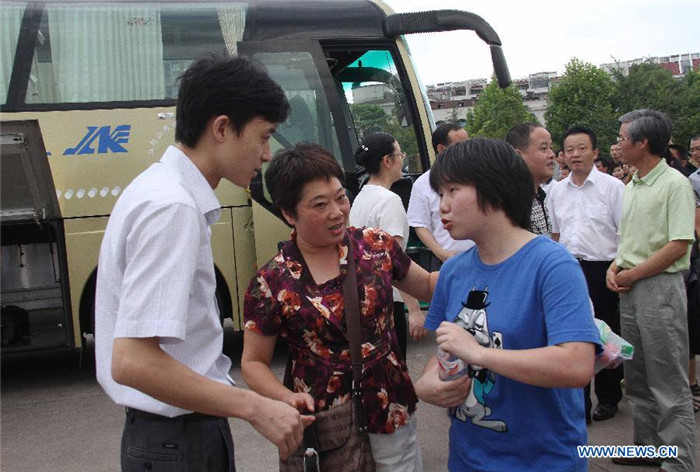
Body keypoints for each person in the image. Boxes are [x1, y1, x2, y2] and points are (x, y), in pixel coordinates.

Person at [94, 53, 314, 471]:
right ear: (221, 128)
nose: (267, 154)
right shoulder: (172, 207)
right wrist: (254, 407)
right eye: (264, 136)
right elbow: (132, 360)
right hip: (178, 444)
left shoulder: (158, 189)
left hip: (172, 437)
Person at [241, 143, 438, 472]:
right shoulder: (271, 281)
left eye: (340, 197)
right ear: (289, 213)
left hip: (390, 407)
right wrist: (285, 397)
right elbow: (253, 362)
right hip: (325, 425)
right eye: (320, 204)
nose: (336, 211)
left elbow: (428, 284)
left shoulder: (376, 246)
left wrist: (486, 260)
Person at [414, 138, 599, 472]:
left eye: (453, 190)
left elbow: (576, 365)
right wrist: (427, 383)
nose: (442, 205)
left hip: (543, 461)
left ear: (495, 190)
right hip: (467, 458)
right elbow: (446, 350)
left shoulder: (552, 264)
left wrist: (480, 354)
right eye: (440, 193)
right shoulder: (454, 271)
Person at [606, 109, 696, 471]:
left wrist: (632, 274)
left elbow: (679, 245)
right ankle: (647, 447)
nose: (617, 145)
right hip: (631, 287)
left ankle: (679, 462)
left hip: (659, 288)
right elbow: (628, 240)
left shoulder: (674, 184)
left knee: (668, 380)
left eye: (622, 138)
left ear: (642, 143)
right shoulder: (633, 185)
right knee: (638, 375)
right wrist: (616, 267)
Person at [548, 126, 626, 424]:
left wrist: (617, 268)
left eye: (582, 148)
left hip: (604, 268)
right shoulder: (557, 190)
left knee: (606, 333)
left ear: (595, 152)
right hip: (570, 270)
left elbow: (624, 233)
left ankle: (608, 398)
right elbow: (556, 233)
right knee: (574, 335)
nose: (575, 154)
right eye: (570, 149)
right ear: (563, 156)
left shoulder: (612, 188)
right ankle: (578, 401)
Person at [349, 132, 428, 358]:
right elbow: (394, 264)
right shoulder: (389, 201)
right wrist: (414, 310)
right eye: (400, 154)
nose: (403, 159)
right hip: (389, 303)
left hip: (366, 301)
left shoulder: (362, 196)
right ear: (387, 161)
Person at [407, 123, 472, 269]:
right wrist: (443, 254)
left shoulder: (477, 176)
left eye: (469, 144)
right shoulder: (423, 183)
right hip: (446, 261)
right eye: (461, 146)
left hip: (482, 258)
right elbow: (420, 225)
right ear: (441, 149)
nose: (467, 150)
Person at [505, 123, 556, 236]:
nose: (552, 154)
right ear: (518, 156)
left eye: (551, 148)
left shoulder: (539, 195)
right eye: (544, 148)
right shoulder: (510, 204)